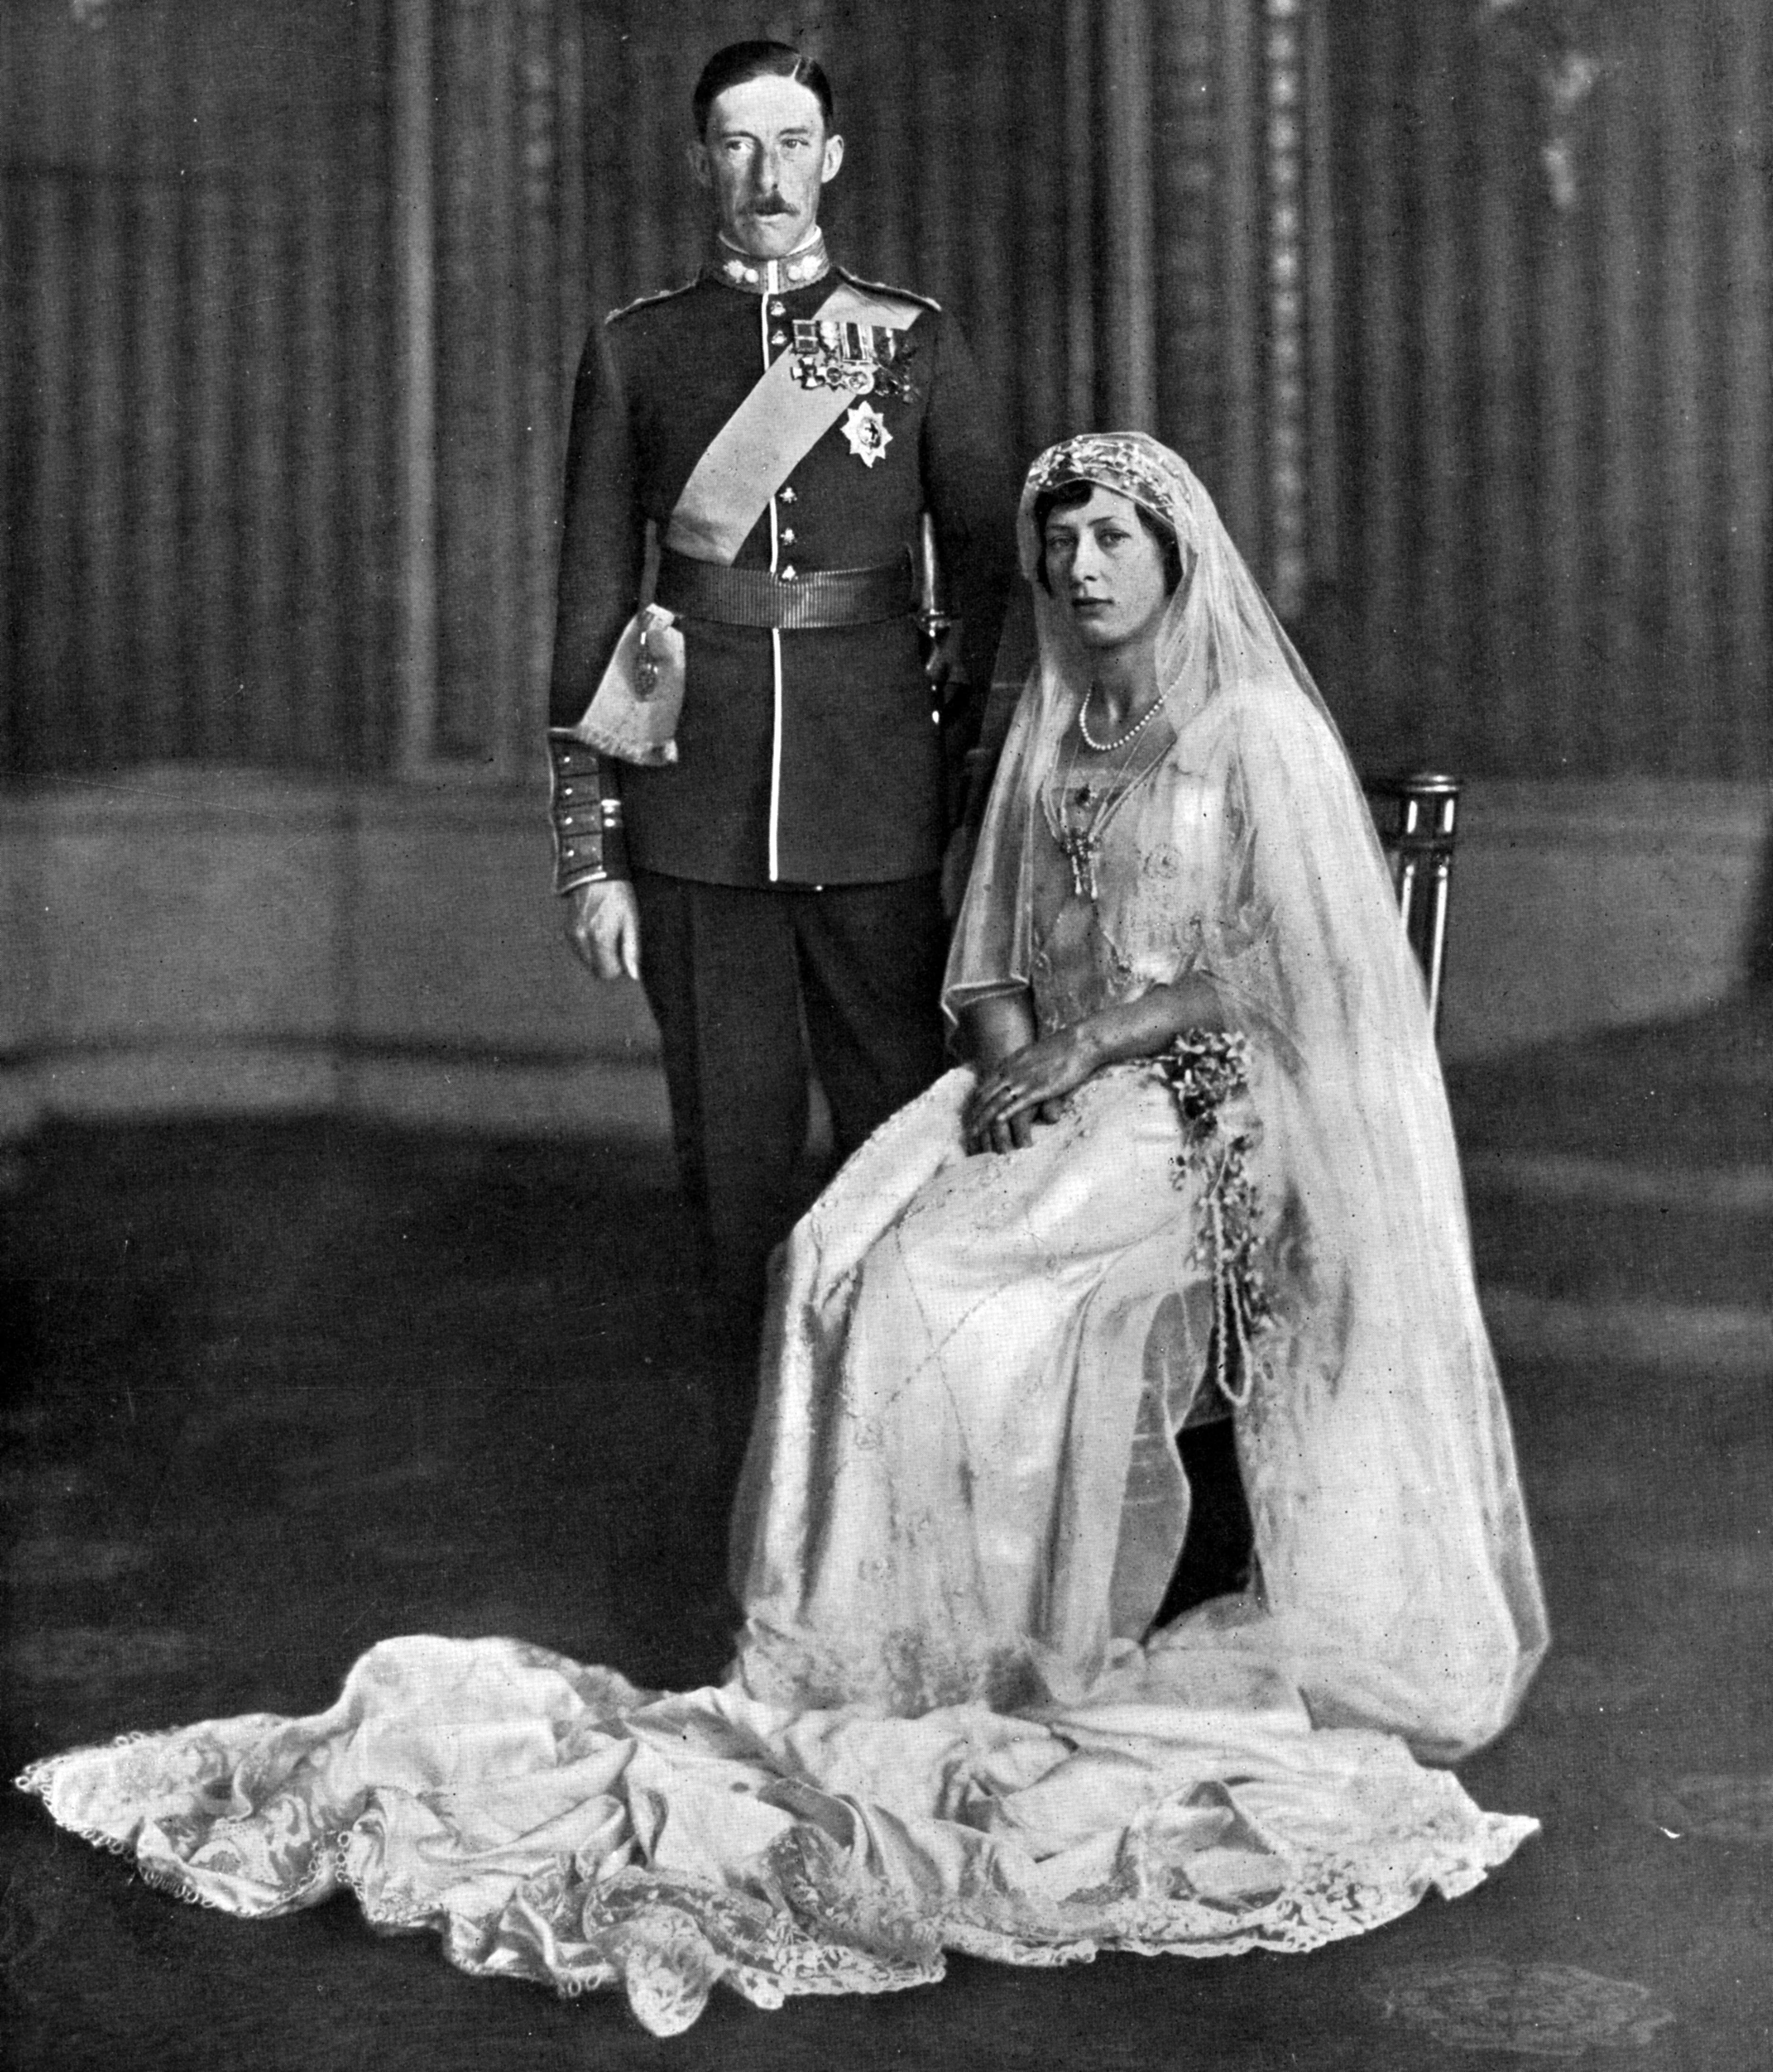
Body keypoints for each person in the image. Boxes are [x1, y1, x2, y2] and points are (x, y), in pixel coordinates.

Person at [20, 436, 1547, 2036]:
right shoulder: (1054, 725)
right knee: (840, 1254)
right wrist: (1017, 1055)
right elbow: (999, 949)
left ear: (1178, 556)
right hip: (1045, 1088)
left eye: (1115, 538)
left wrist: (1090, 1051)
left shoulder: (1253, 734)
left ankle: (991, 1652)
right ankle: (853, 1653)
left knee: (960, 1289)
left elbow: (1293, 969)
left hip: (1208, 1108)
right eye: (1063, 541)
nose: (1084, 567)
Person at [548, 40, 1016, 1373]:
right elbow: (590, 611)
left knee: (911, 1163)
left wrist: (958, 785)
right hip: (694, 822)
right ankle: (753, 1528)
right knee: (733, 1192)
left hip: (878, 811)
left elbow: (987, 574)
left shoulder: (914, 342)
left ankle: (899, 1507)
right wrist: (596, 857)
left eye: (793, 142)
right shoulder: (638, 350)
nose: (768, 174)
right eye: (740, 145)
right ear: (703, 159)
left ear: (835, 159)